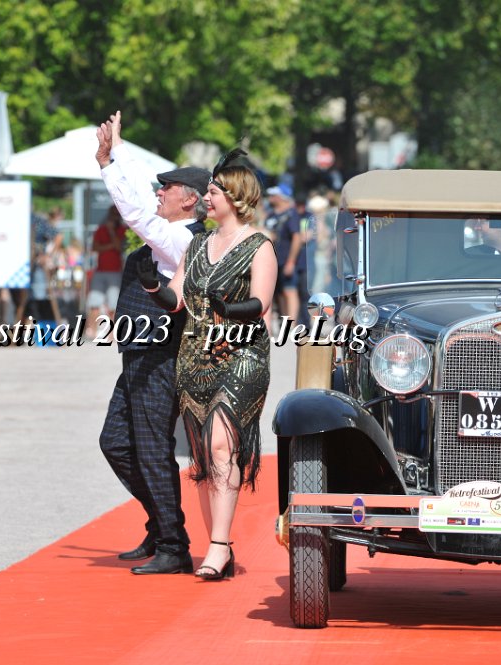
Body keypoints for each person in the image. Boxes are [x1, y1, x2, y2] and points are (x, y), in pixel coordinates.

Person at [138, 149, 276, 580]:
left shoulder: (259, 246)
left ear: (235, 197)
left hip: (242, 354)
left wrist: (229, 310)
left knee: (220, 445)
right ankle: (219, 547)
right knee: (201, 458)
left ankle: (218, 545)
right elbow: (177, 299)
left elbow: (261, 304)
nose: (206, 198)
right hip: (194, 357)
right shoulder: (198, 244)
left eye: (213, 192)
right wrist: (153, 287)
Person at [96, 110, 210, 575]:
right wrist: (116, 154)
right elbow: (144, 194)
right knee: (115, 443)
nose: (159, 192)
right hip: (139, 357)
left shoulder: (184, 241)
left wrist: (111, 163)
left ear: (191, 200)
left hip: (160, 357)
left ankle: (172, 545)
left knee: (150, 449)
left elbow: (137, 210)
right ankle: (163, 525)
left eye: (169, 188)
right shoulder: (171, 230)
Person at [264, 185, 303, 323]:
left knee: (289, 290)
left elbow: (297, 238)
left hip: (286, 260)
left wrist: (291, 262)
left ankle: (291, 326)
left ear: (282, 197)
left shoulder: (291, 214)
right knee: (279, 293)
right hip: (273, 261)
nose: (271, 198)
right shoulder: (271, 214)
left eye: (274, 195)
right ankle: (284, 322)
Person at [86, 205, 126, 335]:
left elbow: (118, 247)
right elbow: (95, 248)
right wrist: (111, 245)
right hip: (100, 270)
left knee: (113, 304)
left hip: (115, 271)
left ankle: (112, 333)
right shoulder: (100, 229)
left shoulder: (122, 230)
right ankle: (92, 331)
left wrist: (111, 232)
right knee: (94, 302)